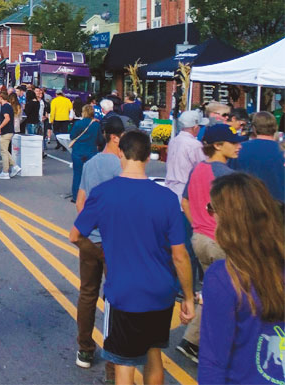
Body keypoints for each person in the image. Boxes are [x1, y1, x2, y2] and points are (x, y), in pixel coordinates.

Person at [71, 130, 194, 385]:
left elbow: (75, 236)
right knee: (154, 355)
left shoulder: (104, 193)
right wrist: (189, 298)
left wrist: (102, 252)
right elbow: (180, 255)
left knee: (124, 364)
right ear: (148, 157)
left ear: (120, 153)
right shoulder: (167, 198)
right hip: (161, 291)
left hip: (123, 293)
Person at [198, 173, 285, 384]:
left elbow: (213, 360)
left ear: (228, 220)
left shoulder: (223, 277)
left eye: (212, 209)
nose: (211, 216)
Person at [178, 123, 246, 361]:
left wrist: (198, 224)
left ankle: (191, 341)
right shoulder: (227, 175)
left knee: (212, 290)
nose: (238, 146)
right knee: (229, 294)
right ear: (217, 145)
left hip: (199, 238)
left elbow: (185, 202)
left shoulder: (198, 169)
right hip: (220, 241)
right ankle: (216, 345)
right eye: (233, 143)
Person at [72, 116, 125, 378]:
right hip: (115, 241)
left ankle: (85, 349)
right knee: (115, 299)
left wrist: (89, 230)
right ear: (115, 137)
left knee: (87, 293)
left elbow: (80, 202)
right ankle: (113, 362)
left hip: (90, 238)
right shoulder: (124, 165)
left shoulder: (92, 163)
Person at [228, 111, 284, 203]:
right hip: (278, 204)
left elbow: (228, 179)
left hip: (247, 203)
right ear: (275, 127)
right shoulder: (282, 150)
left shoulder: (238, 149)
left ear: (254, 128)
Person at [165, 110, 209, 202]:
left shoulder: (173, 141)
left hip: (169, 188)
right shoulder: (194, 144)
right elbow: (203, 167)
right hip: (185, 190)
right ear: (195, 127)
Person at [69, 105, 101, 201]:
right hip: (91, 151)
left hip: (78, 151)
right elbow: (100, 139)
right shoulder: (96, 124)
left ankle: (76, 196)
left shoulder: (78, 123)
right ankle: (89, 195)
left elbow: (72, 136)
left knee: (77, 174)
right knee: (91, 175)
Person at [0, 91, 21, 180]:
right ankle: (14, 166)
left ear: (1, 98)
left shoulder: (5, 107)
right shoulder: (9, 106)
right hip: (9, 131)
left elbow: (7, 118)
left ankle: (5, 172)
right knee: (5, 150)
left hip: (5, 131)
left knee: (3, 152)